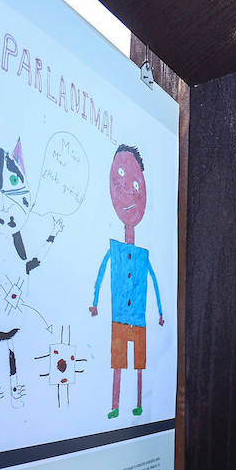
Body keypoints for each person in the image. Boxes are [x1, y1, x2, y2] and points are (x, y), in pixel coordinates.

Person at [90, 145, 165, 420]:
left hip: (139, 318)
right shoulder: (116, 250)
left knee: (140, 365)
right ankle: (115, 406)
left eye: (136, 183)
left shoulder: (142, 255)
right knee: (119, 363)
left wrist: (159, 312)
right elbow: (101, 272)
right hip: (120, 316)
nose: (129, 191)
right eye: (120, 177)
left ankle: (137, 404)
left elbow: (155, 281)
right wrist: (95, 302)